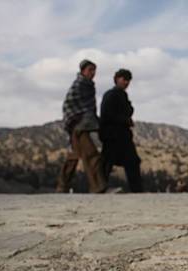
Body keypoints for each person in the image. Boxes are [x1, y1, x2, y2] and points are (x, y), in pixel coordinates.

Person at [56, 59, 107, 193]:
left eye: (94, 70)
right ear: (83, 71)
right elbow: (69, 104)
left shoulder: (88, 86)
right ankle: (97, 187)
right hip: (79, 127)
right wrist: (77, 121)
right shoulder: (79, 85)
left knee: (73, 157)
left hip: (81, 125)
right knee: (92, 155)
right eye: (90, 70)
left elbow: (89, 108)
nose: (93, 73)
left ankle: (62, 187)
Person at [100, 69, 143, 192]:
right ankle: (99, 188)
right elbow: (107, 115)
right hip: (113, 136)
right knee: (107, 164)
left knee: (131, 162)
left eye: (128, 80)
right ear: (117, 79)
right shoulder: (111, 94)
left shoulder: (121, 95)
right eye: (124, 79)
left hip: (120, 136)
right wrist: (125, 120)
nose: (126, 82)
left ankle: (137, 190)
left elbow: (127, 110)